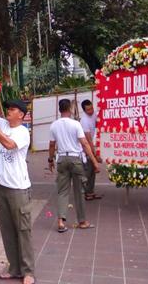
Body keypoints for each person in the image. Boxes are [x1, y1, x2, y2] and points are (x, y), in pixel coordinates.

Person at [0, 99, 35, 284]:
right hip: (3, 188)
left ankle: (28, 271)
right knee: (7, 230)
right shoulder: (4, 123)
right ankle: (14, 268)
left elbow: (8, 144)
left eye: (12, 109)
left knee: (23, 230)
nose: (8, 111)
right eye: (8, 109)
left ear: (20, 114)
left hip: (18, 190)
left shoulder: (22, 132)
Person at [48, 99, 100, 233]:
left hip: (61, 159)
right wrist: (94, 161)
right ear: (70, 109)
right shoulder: (76, 124)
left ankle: (60, 221)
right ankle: (82, 221)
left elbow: (52, 145)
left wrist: (50, 160)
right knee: (79, 191)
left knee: (62, 191)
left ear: (60, 110)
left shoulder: (54, 125)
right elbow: (84, 143)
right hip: (76, 159)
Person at [80, 99, 103, 201]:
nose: (91, 111)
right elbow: (88, 139)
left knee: (93, 171)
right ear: (84, 111)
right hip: (87, 148)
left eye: (91, 108)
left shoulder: (95, 114)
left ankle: (91, 192)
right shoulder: (84, 121)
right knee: (88, 171)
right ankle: (85, 192)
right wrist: (94, 154)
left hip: (92, 145)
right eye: (88, 110)